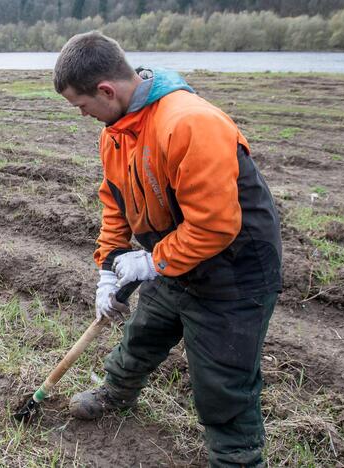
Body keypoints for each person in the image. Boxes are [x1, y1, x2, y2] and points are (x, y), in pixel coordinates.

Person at [53, 31, 281, 467]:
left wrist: (153, 260)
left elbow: (216, 225)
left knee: (223, 377)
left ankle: (236, 458)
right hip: (175, 257)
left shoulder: (189, 122)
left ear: (106, 90)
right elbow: (115, 200)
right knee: (144, 332)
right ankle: (117, 393)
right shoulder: (116, 132)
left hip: (234, 266)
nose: (83, 115)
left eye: (82, 105)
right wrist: (108, 265)